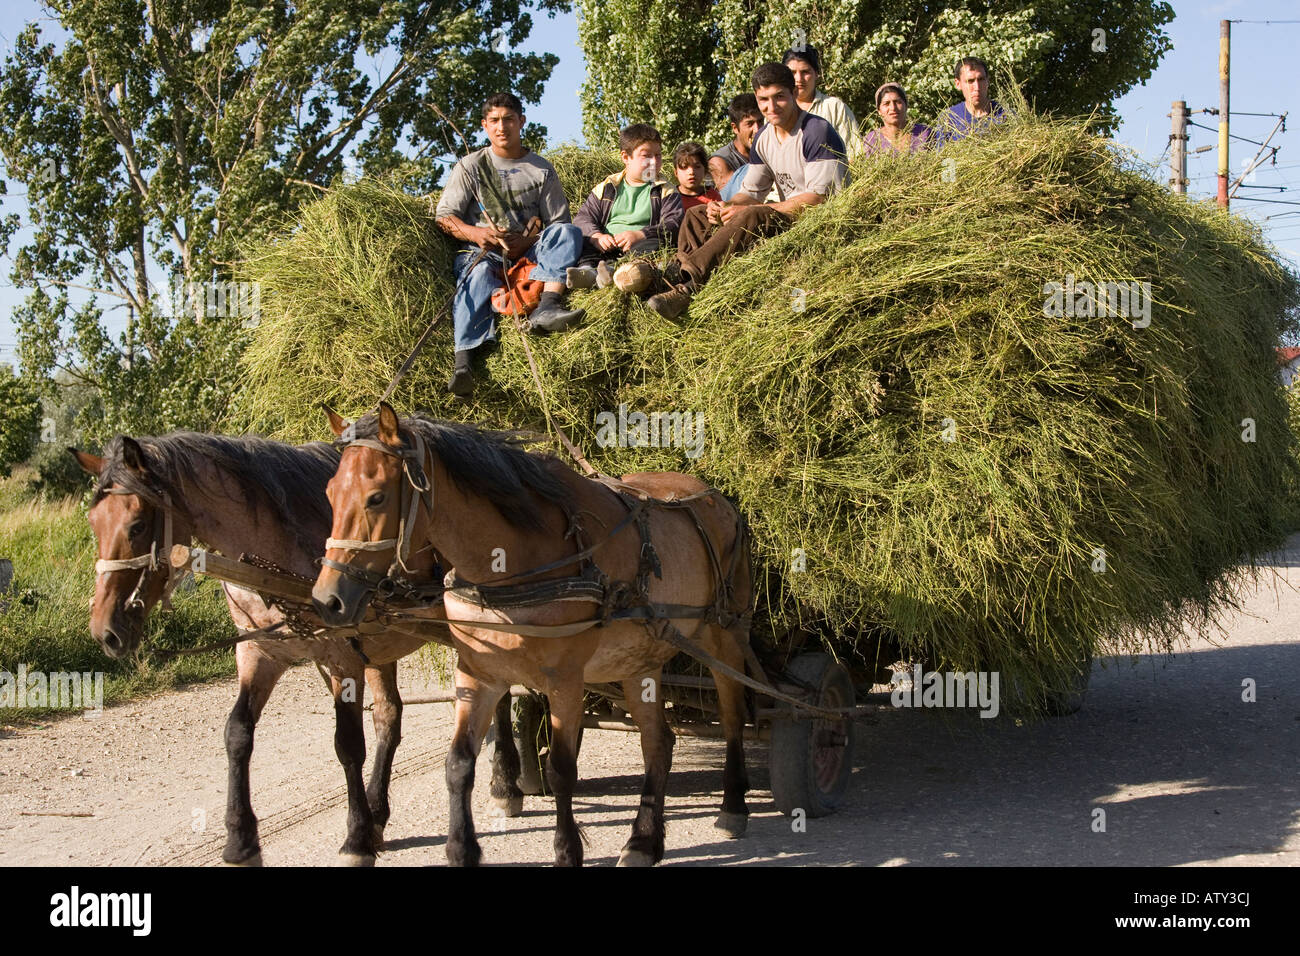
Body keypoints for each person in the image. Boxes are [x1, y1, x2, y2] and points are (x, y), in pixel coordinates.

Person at [647, 62, 849, 319]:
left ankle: (687, 285)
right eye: (764, 99)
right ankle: (674, 278)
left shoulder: (816, 131)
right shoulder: (764, 137)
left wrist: (750, 209)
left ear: (793, 93)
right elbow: (751, 192)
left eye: (779, 97)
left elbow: (819, 200)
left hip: (817, 223)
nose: (771, 107)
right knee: (697, 214)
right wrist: (725, 207)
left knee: (751, 215)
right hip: (783, 217)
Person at [435, 92, 585, 398]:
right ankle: (464, 363)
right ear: (485, 126)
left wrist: (527, 240)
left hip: (527, 249)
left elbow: (557, 222)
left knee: (568, 233)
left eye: (508, 119)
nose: (501, 127)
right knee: (474, 277)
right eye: (494, 121)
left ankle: (548, 307)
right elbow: (444, 218)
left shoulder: (541, 169)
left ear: (521, 122)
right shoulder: (469, 167)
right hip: (483, 251)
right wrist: (476, 234)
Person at [569, 123, 683, 289]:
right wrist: (597, 237)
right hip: (607, 246)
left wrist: (640, 234)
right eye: (646, 156)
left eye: (658, 155)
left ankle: (616, 272)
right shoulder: (607, 187)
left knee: (654, 244)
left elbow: (674, 223)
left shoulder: (665, 190)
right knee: (583, 239)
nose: (654, 162)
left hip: (640, 246)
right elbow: (583, 218)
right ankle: (589, 272)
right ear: (625, 157)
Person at [782, 45, 863, 159]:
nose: (799, 79)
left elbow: (854, 153)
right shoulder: (776, 109)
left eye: (805, 72)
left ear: (816, 73)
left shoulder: (834, 107)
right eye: (793, 72)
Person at [939, 56, 1005, 143]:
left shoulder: (1006, 116)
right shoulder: (949, 120)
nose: (977, 87)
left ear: (987, 81)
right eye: (970, 81)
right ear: (958, 84)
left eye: (981, 79)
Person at [708, 94, 761, 197]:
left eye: (760, 122)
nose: (757, 129)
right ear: (735, 128)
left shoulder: (767, 150)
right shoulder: (719, 161)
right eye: (749, 124)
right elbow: (734, 198)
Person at [861, 82, 934, 155]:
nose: (893, 108)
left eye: (897, 102)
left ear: (906, 106)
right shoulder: (871, 141)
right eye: (886, 103)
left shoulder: (925, 133)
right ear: (879, 111)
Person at [672, 142, 721, 211]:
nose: (691, 172)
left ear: (705, 171)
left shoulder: (713, 196)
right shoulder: (671, 196)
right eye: (684, 167)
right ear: (676, 172)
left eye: (697, 167)